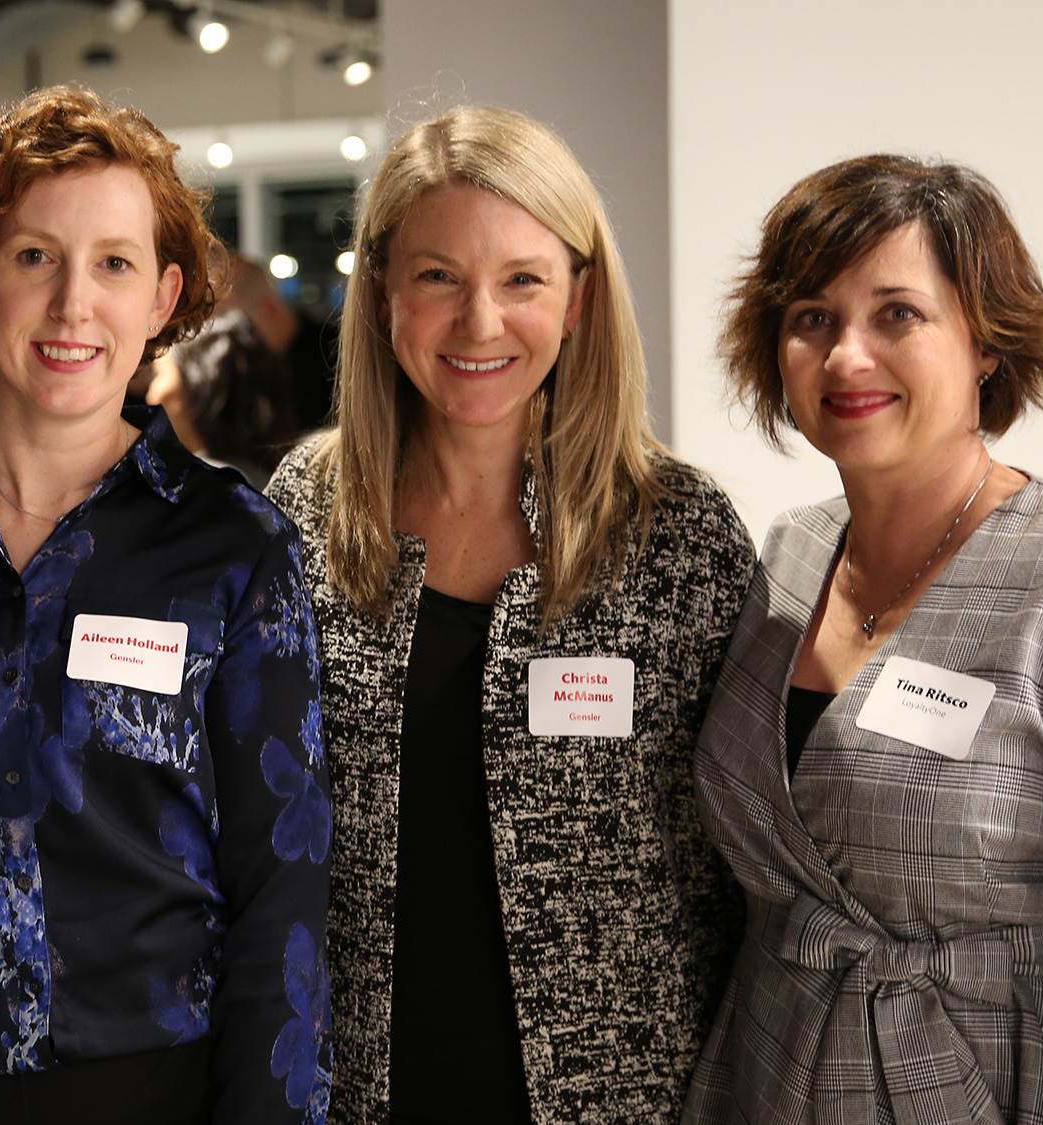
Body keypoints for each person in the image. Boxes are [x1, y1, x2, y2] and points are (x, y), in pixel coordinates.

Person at [682, 155, 1043, 1124]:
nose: (845, 356)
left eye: (896, 313)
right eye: (811, 318)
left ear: (983, 341)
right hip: (762, 1074)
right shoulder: (789, 553)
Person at [0, 85, 331, 1125]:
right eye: (32, 258)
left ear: (162, 297)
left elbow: (279, 884)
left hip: (150, 1088)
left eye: (113, 262)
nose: (71, 305)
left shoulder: (234, 549)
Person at [263, 105, 752, 1124]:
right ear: (384, 291)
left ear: (577, 300)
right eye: (437, 276)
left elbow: (740, 873)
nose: (478, 323)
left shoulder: (677, 534)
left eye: (522, 279)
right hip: (360, 1094)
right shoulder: (303, 510)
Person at [146, 307, 298, 488]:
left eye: (157, 375)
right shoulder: (260, 478)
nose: (151, 396)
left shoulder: (203, 486)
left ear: (196, 386)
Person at [221, 253, 336, 431]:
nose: (221, 345)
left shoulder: (338, 356)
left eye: (231, 330)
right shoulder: (239, 375)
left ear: (271, 308)